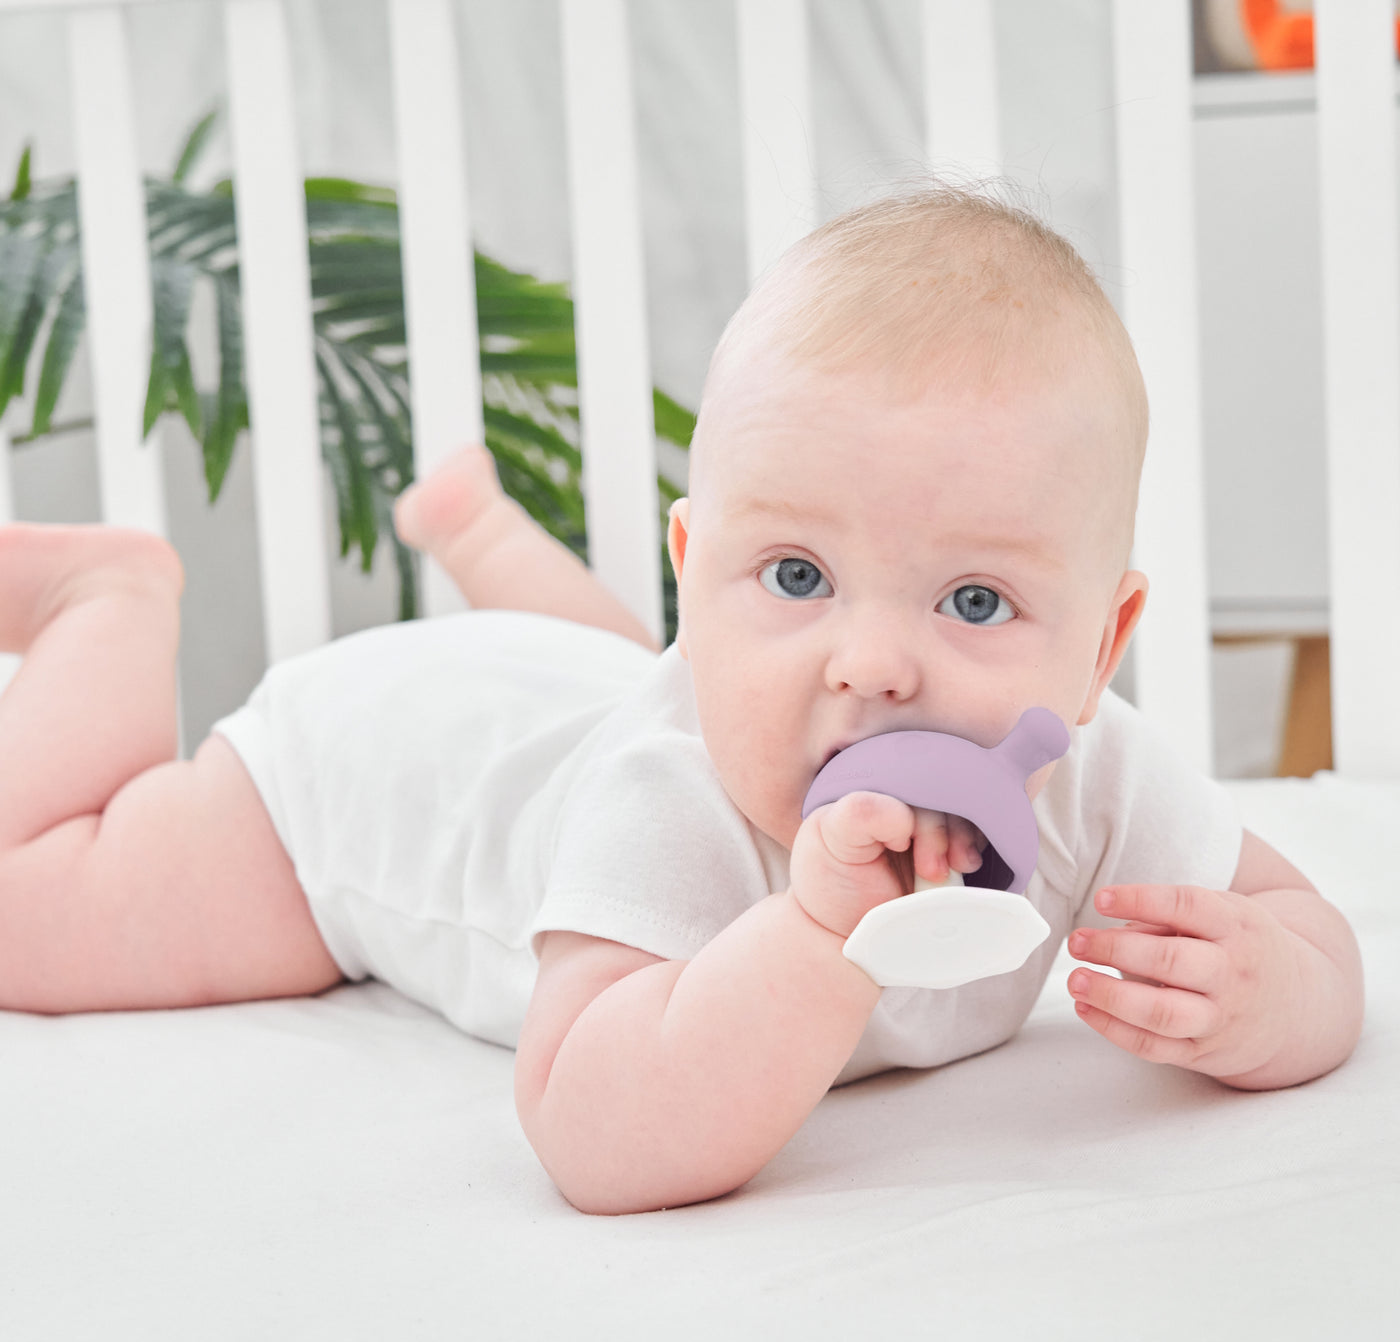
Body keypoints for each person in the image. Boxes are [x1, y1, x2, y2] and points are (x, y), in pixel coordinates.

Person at [0, 188, 1364, 1216]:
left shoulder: (1101, 777)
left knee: (643, 684)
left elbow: (1313, 935)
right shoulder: (669, 798)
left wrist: (1267, 1000)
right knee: (34, 912)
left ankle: (492, 546)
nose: (874, 664)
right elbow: (594, 1132)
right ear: (696, 574)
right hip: (371, 782)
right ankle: (108, 605)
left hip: (575, 692)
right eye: (795, 573)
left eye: (972, 603)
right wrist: (817, 932)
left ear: (1102, 645)